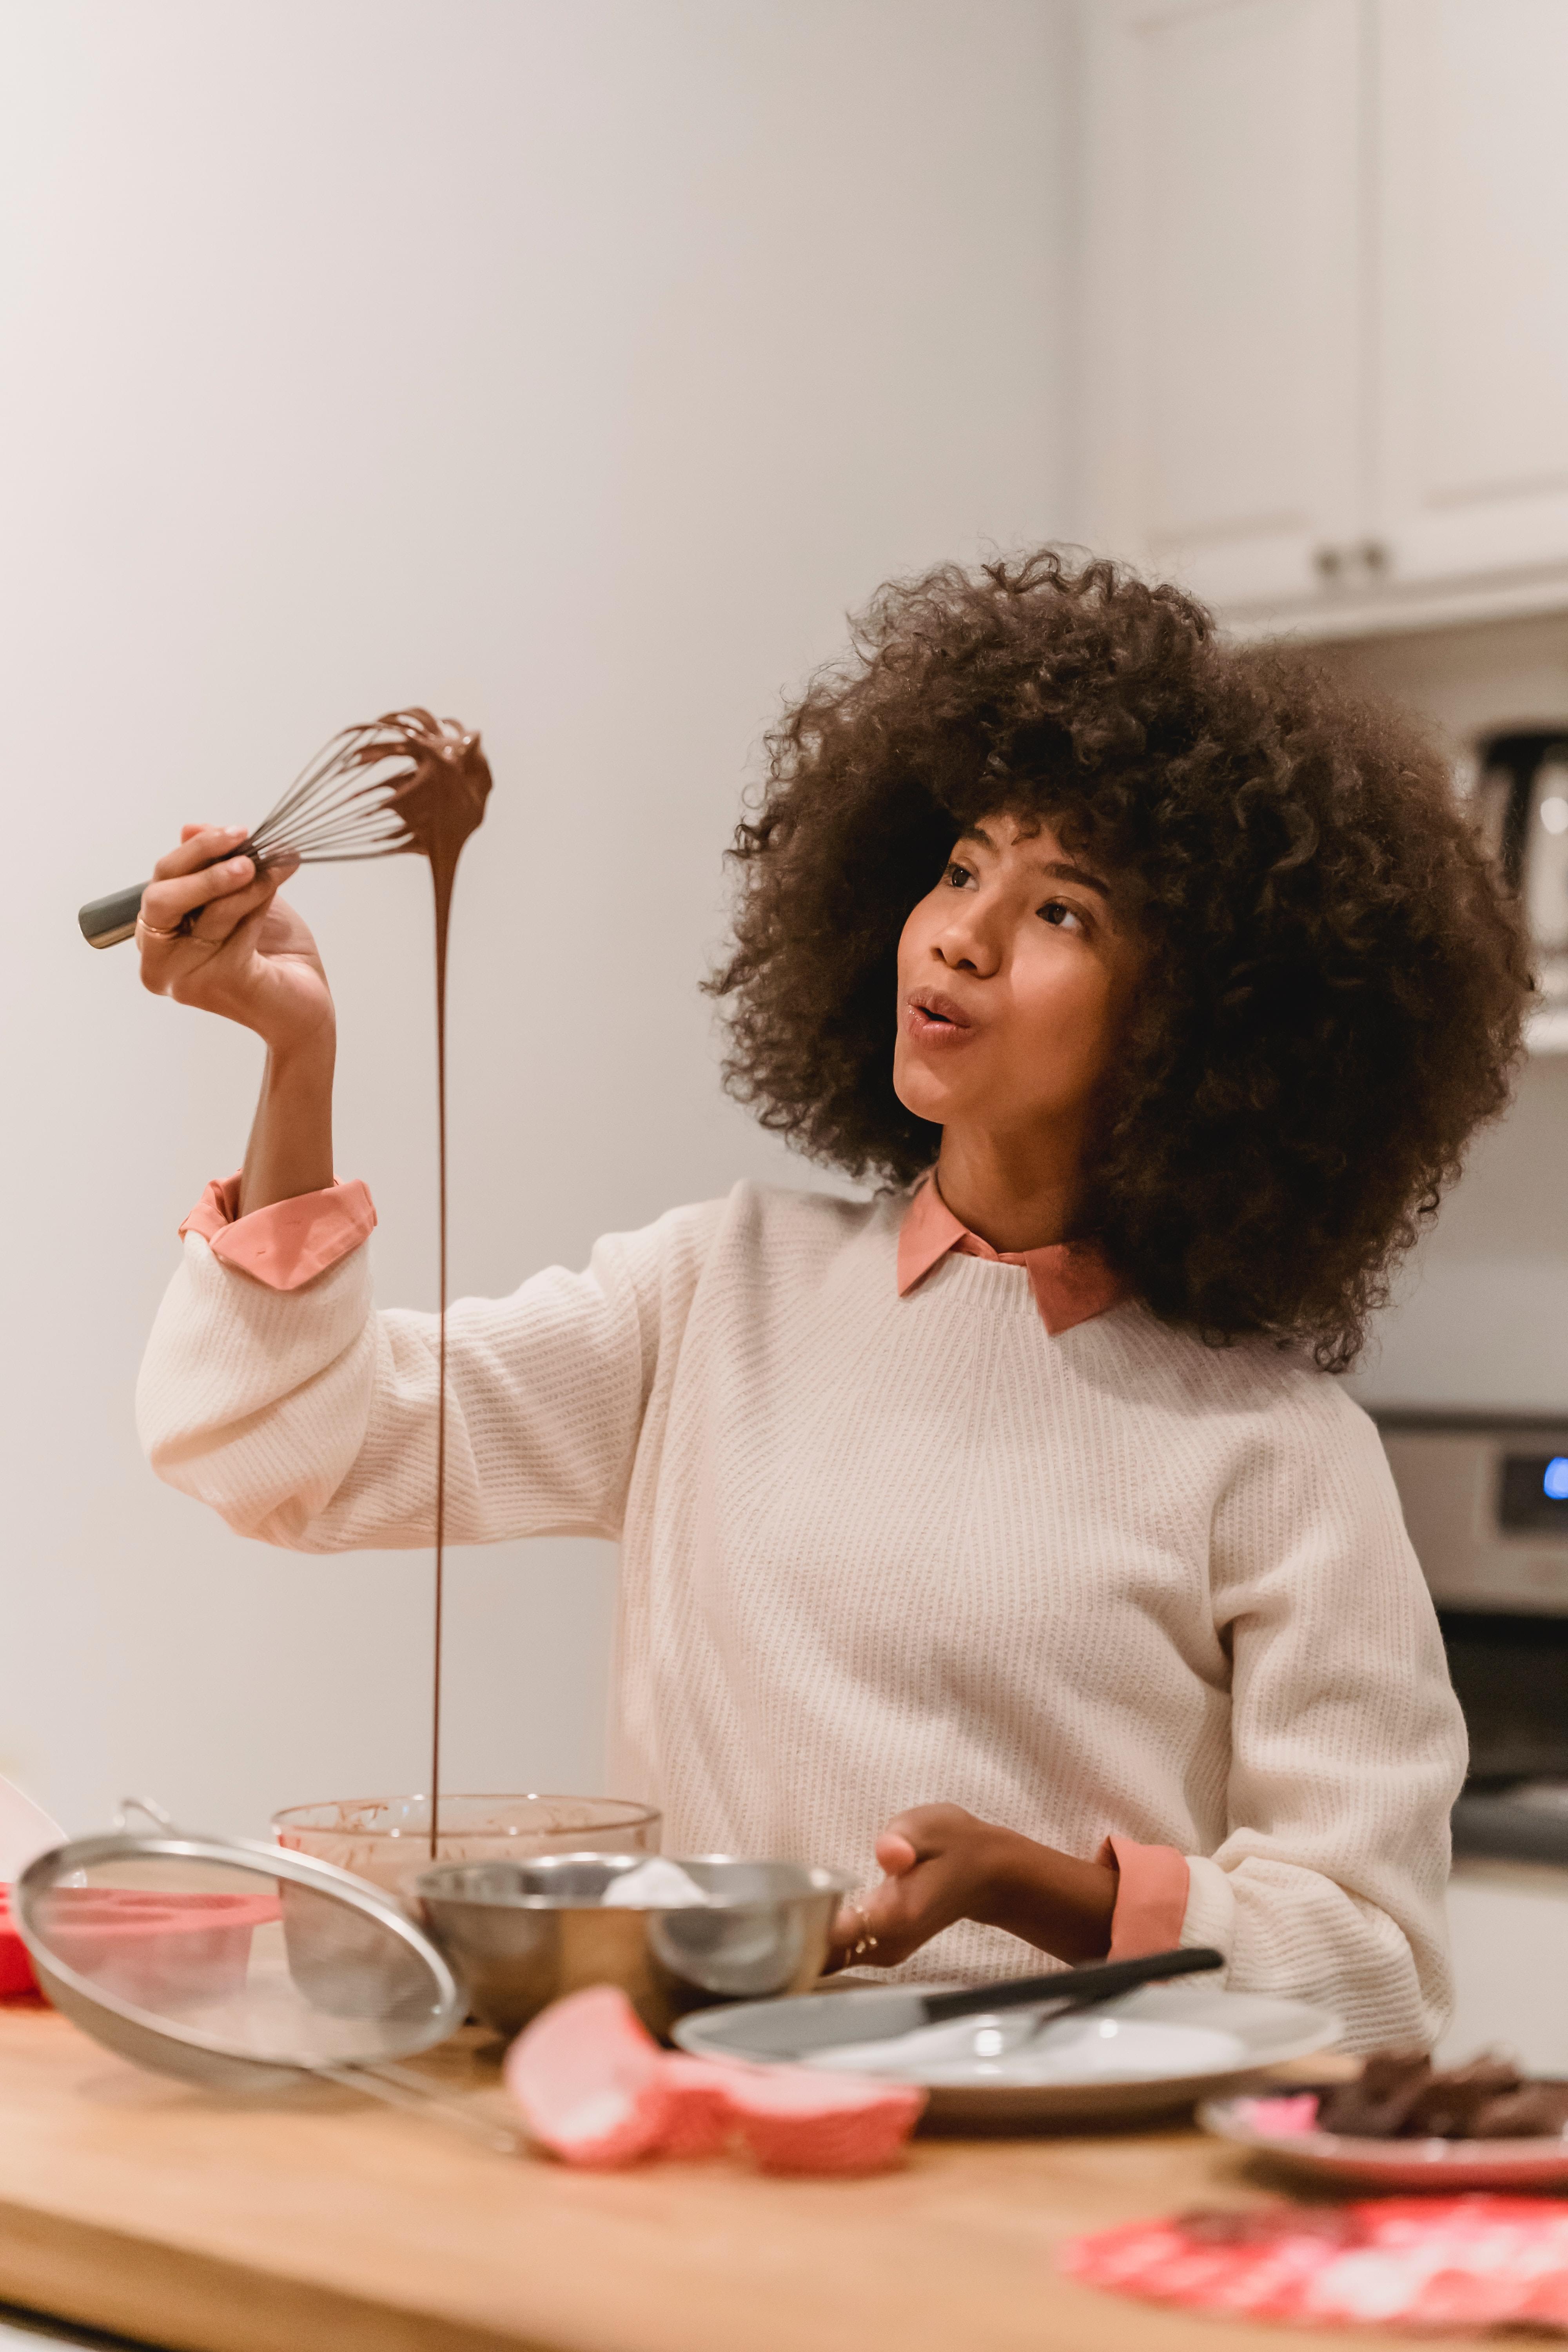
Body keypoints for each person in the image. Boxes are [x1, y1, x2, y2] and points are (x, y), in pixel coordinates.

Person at [134, 553, 1528, 2049]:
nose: (963, 935)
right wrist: (297, 1058)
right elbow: (280, 1450)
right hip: (719, 2140)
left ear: (1210, 1019)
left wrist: (1049, 1892)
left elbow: (1381, 1976)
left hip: (1061, 2210)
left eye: (1064, 911)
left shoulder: (1280, 1454)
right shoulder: (713, 1297)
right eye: (961, 867)